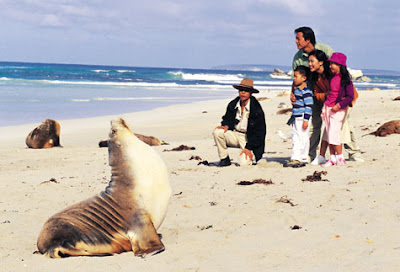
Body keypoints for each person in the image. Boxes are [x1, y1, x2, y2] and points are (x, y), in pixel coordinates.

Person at [292, 26, 363, 163]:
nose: (296, 42)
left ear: (308, 40)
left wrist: (340, 96)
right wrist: (294, 93)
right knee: (316, 125)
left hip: (340, 96)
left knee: (344, 124)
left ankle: (354, 153)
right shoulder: (298, 58)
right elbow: (296, 77)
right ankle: (311, 155)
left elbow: (340, 70)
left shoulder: (325, 50)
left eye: (298, 38)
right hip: (317, 95)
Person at [213, 78, 266, 167]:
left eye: (246, 90)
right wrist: (226, 125)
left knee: (244, 164)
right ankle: (224, 159)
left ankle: (250, 156)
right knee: (217, 132)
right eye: (241, 90)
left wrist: (249, 147)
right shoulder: (233, 104)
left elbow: (260, 133)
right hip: (235, 134)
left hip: (249, 139)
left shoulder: (256, 109)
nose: (243, 92)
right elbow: (227, 118)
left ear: (251, 93)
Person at [321, 52, 354, 167]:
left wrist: (339, 105)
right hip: (328, 107)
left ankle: (340, 158)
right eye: (330, 64)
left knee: (334, 133)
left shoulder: (346, 80)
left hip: (338, 109)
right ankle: (333, 158)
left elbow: (351, 96)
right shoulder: (331, 77)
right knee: (329, 134)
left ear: (340, 65)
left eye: (333, 64)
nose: (330, 66)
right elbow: (332, 93)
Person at [285, 66, 313, 168]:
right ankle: (297, 157)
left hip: (303, 118)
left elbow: (309, 106)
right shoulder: (297, 91)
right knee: (296, 137)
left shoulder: (306, 91)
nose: (294, 78)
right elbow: (296, 106)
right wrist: (293, 118)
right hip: (297, 118)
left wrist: (306, 119)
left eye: (296, 76)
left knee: (302, 138)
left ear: (304, 78)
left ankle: (301, 157)